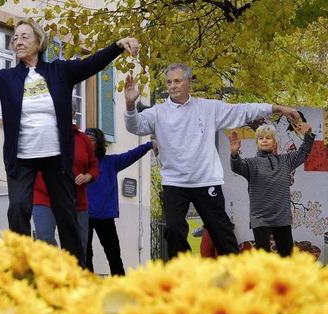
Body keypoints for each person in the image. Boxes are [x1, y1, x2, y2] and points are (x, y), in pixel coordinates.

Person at [0, 19, 140, 267]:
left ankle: (75, 271)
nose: (18, 41)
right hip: (21, 159)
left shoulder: (59, 71)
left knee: (66, 216)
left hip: (56, 158)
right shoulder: (6, 78)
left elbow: (90, 64)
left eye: (24, 37)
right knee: (18, 209)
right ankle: (20, 268)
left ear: (39, 43)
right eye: (15, 37)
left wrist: (117, 46)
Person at [123, 63, 301, 259]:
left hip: (206, 181)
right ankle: (183, 275)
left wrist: (277, 108)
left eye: (177, 81)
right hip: (175, 182)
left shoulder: (208, 108)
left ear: (189, 82)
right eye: (168, 82)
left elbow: (243, 111)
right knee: (173, 230)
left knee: (221, 233)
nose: (172, 86)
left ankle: (234, 276)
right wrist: (131, 106)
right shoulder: (158, 113)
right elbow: (135, 127)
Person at [229, 122, 314, 257]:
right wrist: (234, 153)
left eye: (268, 138)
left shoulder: (285, 160)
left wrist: (308, 135)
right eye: (261, 138)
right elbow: (237, 167)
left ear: (274, 142)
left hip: (282, 216)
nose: (264, 140)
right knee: (264, 259)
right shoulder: (251, 163)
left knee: (286, 256)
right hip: (260, 217)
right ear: (257, 142)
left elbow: (303, 152)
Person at [84, 128, 156, 275]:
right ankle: (87, 287)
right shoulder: (79, 164)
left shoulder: (111, 162)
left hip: (105, 216)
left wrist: (149, 145)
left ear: (99, 144)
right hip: (83, 215)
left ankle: (120, 285)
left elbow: (131, 155)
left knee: (113, 254)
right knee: (85, 254)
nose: (88, 144)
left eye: (92, 140)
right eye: (85, 141)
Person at [32, 100, 99, 251]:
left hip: (76, 200)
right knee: (44, 239)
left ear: (73, 114)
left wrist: (87, 176)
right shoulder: (41, 134)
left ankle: (69, 272)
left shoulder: (83, 140)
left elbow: (93, 166)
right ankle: (53, 271)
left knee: (78, 246)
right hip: (45, 196)